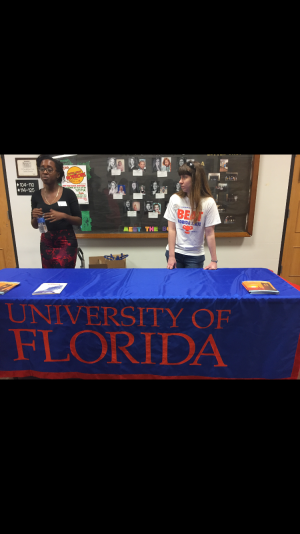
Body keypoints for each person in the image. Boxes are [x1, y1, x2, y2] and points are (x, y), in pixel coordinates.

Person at [164, 161, 221, 269]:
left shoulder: (208, 202)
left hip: (195, 256)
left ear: (196, 179)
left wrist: (214, 260)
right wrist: (171, 256)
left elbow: (209, 233)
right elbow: (171, 229)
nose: (180, 181)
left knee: (193, 285)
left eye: (185, 177)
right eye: (180, 177)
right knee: (175, 284)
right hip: (175, 253)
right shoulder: (175, 199)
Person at [31, 155, 82, 268]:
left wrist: (63, 215)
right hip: (46, 241)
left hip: (66, 241)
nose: (45, 172)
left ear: (58, 174)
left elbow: (79, 221)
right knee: (48, 275)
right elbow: (35, 225)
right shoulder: (36, 196)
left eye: (49, 169)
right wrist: (34, 217)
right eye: (42, 169)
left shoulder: (69, 194)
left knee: (65, 275)